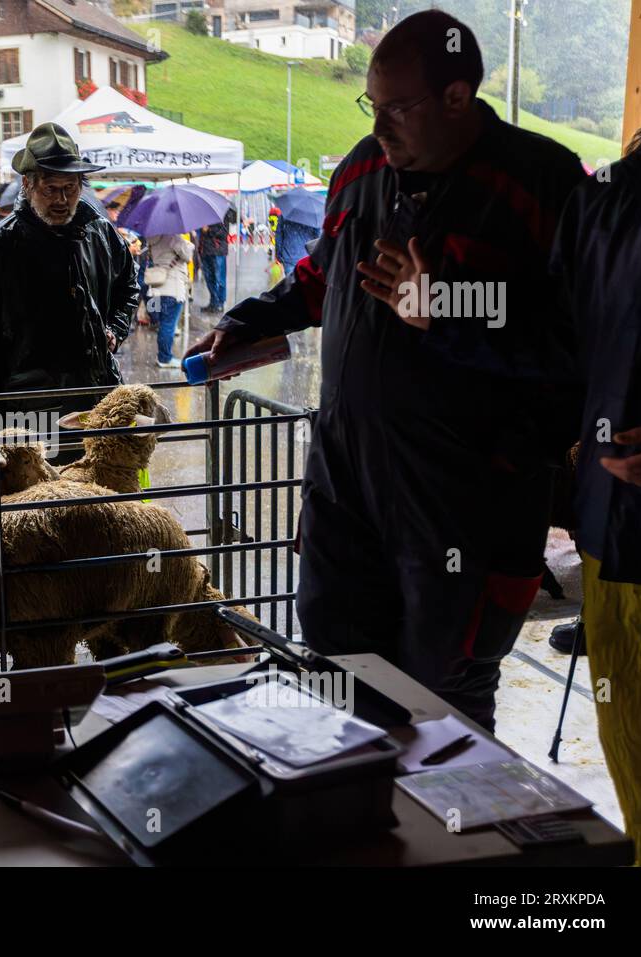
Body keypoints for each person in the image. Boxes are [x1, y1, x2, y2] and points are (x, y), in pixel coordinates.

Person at [185, 11, 584, 732]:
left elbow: (579, 347)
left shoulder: (545, 184)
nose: (380, 127)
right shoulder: (362, 169)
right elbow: (319, 277)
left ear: (458, 97)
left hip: (471, 508)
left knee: (444, 711)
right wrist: (250, 322)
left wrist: (451, 306)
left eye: (397, 108)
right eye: (371, 106)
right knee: (339, 683)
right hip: (347, 487)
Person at [551, 123, 641, 866]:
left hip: (611, 533)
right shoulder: (600, 206)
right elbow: (555, 352)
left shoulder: (601, 204)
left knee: (640, 761)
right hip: (615, 536)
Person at [0, 122, 139, 465]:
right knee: (39, 513)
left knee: (101, 506)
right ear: (27, 185)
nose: (61, 199)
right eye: (51, 189)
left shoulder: (99, 233)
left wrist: (115, 328)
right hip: (29, 416)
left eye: (70, 188)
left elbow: (129, 283)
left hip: (96, 402)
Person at [144, 231, 194, 369]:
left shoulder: (152, 238)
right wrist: (188, 243)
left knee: (163, 324)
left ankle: (162, 355)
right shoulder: (172, 237)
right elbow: (188, 255)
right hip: (172, 288)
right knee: (169, 324)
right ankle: (165, 358)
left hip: (157, 288)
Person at [197, 213, 232, 314]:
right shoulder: (204, 214)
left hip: (218, 251)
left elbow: (224, 233)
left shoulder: (224, 213)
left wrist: (209, 230)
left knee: (219, 278)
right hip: (206, 250)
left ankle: (220, 303)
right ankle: (213, 302)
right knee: (209, 278)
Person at [274, 213, 320, 277]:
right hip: (306, 256)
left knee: (292, 284)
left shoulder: (284, 213)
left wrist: (279, 255)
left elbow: (279, 235)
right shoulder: (313, 215)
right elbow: (318, 236)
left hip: (289, 256)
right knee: (306, 284)